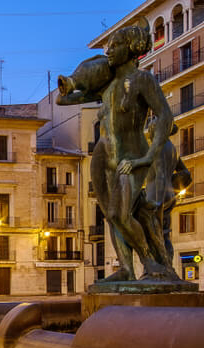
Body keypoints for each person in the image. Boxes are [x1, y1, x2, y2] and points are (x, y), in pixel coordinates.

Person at [58, 20, 181, 282]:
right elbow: (63, 99)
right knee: (112, 217)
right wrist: (74, 80)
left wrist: (148, 157)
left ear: (130, 49)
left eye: (115, 46)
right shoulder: (107, 86)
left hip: (132, 154)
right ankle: (126, 268)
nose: (109, 51)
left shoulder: (142, 80)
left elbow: (165, 116)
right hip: (105, 156)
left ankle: (151, 263)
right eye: (108, 48)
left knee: (120, 213)